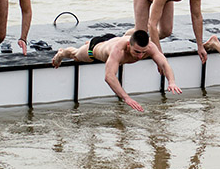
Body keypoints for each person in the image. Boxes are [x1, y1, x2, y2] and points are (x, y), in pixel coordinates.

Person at [50, 29, 182, 112]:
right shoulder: (118, 51)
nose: (140, 56)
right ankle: (61, 53)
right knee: (76, 55)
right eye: (137, 52)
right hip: (96, 47)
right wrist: (126, 98)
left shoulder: (150, 47)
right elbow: (109, 76)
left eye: (143, 52)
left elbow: (164, 63)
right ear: (129, 45)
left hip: (114, 38)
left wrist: (172, 82)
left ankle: (126, 34)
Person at [132, 0, 207, 62]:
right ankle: (127, 38)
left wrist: (200, 46)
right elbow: (152, 24)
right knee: (141, 33)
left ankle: (134, 38)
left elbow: (196, 16)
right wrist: (159, 56)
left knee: (166, 31)